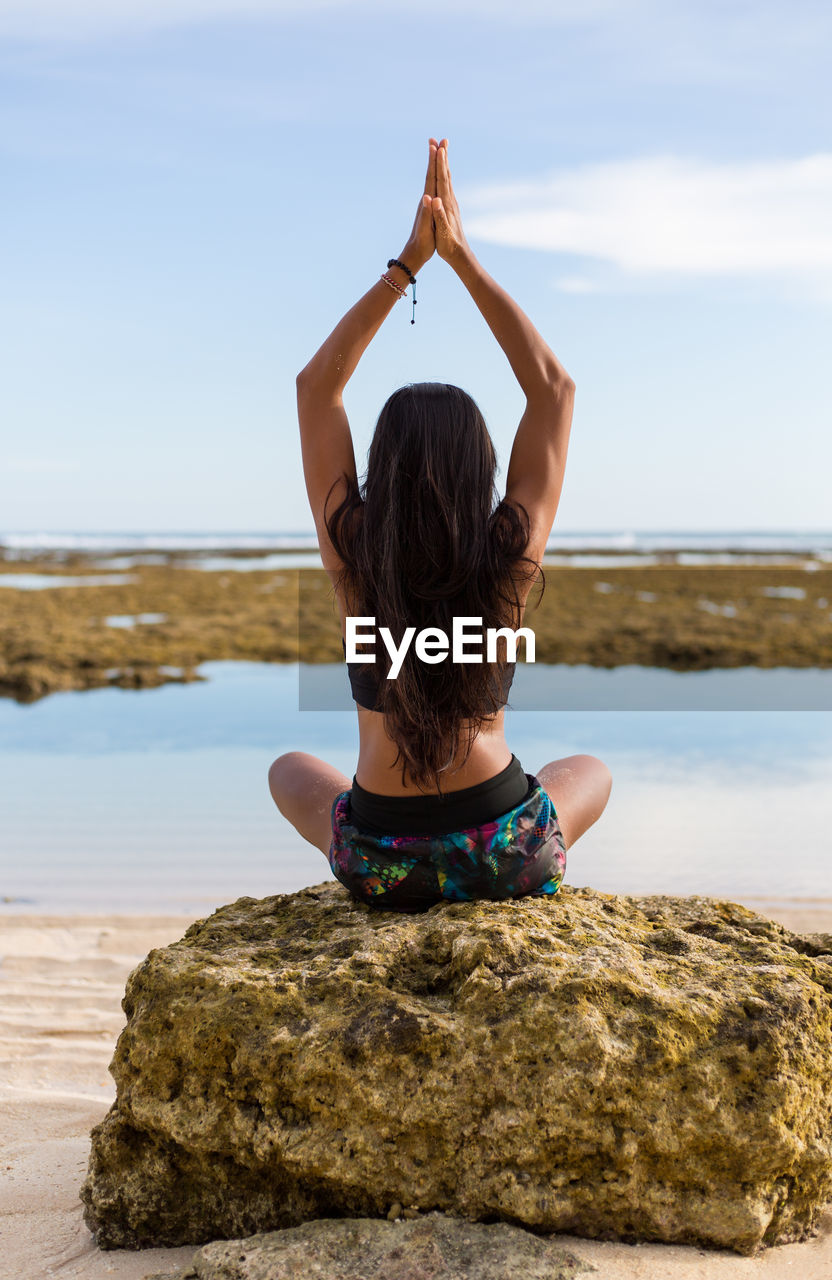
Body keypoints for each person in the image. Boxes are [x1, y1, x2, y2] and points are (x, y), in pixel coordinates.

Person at [268, 137, 612, 912]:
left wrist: (406, 267)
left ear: (380, 468)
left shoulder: (354, 548)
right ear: (479, 467)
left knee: (288, 768)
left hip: (378, 860)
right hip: (505, 853)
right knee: (589, 769)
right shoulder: (508, 550)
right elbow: (553, 391)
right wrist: (458, 257)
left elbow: (314, 388)